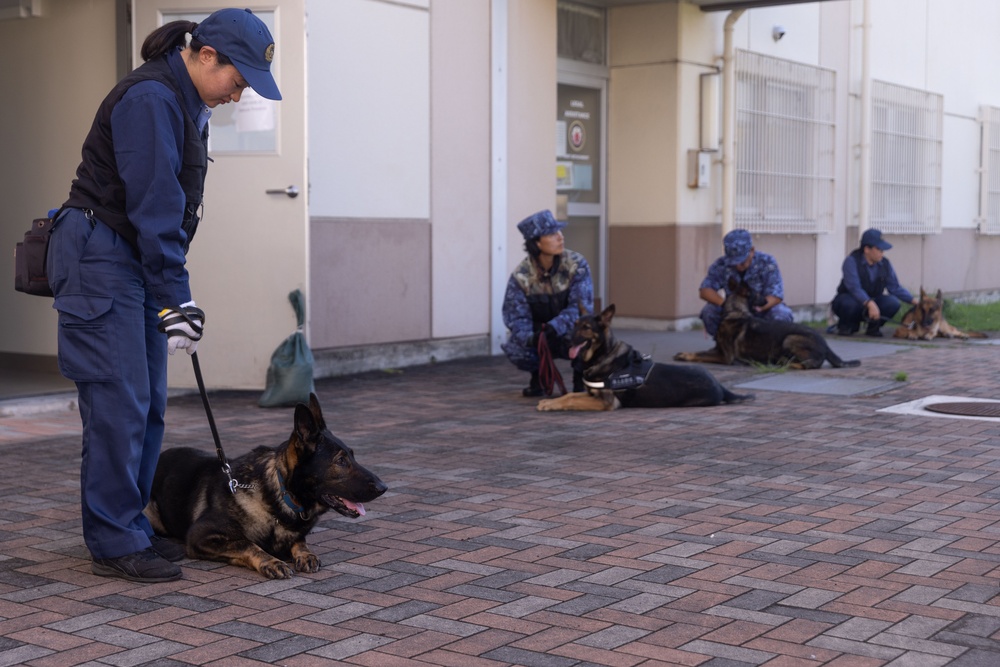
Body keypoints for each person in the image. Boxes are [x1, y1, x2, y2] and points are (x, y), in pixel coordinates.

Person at [46, 9, 281, 583]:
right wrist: (177, 295)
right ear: (206, 56)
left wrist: (172, 291)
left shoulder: (188, 101)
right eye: (238, 76)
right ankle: (112, 541)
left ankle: (131, 524)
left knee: (149, 404)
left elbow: (168, 213)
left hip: (131, 260)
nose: (240, 90)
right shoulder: (151, 99)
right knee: (118, 408)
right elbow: (154, 205)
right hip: (101, 257)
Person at [502, 210, 595, 397]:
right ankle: (539, 378)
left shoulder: (576, 265)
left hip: (568, 330)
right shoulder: (521, 276)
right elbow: (515, 317)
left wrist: (554, 327)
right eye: (552, 234)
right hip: (540, 334)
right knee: (516, 345)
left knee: (589, 333)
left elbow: (581, 308)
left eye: (559, 232)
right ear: (536, 243)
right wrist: (533, 338)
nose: (561, 238)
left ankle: (581, 381)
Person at [698, 229, 794, 338]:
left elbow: (776, 296)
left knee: (781, 313)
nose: (738, 266)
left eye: (742, 261)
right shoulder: (720, 265)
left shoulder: (767, 262)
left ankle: (772, 348)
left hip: (760, 310)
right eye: (734, 262)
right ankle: (723, 346)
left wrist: (761, 307)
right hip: (735, 313)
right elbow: (705, 290)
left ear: (752, 251)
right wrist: (725, 304)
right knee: (709, 311)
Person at [831, 228, 918, 337]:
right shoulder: (851, 261)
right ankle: (847, 326)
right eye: (879, 249)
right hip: (851, 300)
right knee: (848, 303)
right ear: (867, 249)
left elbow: (895, 287)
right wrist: (869, 303)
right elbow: (854, 288)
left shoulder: (885, 264)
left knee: (893, 303)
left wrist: (915, 301)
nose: (882, 253)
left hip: (873, 302)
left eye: (883, 250)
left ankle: (873, 328)